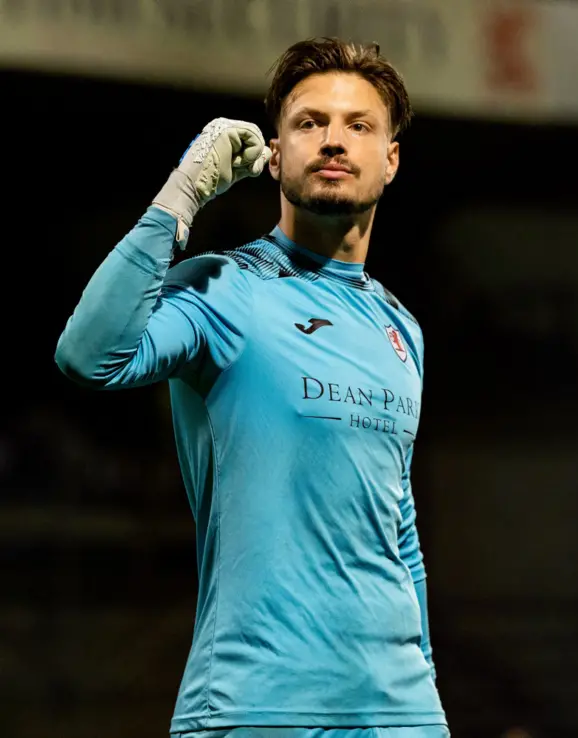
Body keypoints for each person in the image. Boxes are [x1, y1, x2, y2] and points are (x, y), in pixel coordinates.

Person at [55, 37, 449, 738]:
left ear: (390, 160)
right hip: (255, 703)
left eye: (359, 125)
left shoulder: (401, 328)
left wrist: (422, 682)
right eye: (309, 122)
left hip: (398, 711)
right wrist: (181, 196)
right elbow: (91, 356)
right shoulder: (221, 288)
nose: (333, 139)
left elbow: (400, 525)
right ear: (275, 153)